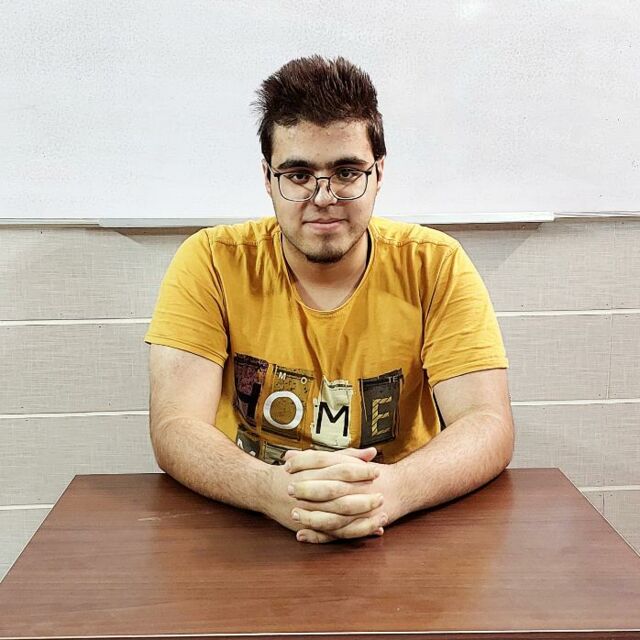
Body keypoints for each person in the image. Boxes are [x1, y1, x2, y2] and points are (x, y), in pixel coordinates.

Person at [144, 54, 514, 545]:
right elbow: (174, 426)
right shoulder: (210, 261)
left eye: (346, 172)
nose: (323, 197)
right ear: (268, 178)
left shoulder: (435, 265)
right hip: (251, 527)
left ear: (378, 173)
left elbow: (487, 423)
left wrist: (392, 490)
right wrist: (270, 490)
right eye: (298, 174)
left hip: (401, 525)